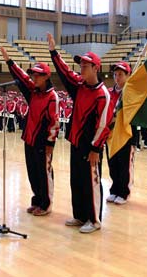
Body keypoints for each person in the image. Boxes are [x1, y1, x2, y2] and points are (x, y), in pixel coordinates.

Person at [48, 33, 112, 233]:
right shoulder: (79, 86)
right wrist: (53, 53)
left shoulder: (103, 95)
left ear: (96, 68)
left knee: (91, 183)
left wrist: (95, 148)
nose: (81, 69)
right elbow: (65, 72)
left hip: (91, 146)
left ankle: (94, 220)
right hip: (75, 142)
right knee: (76, 180)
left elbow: (104, 125)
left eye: (85, 65)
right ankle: (79, 215)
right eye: (81, 65)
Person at [1, 46, 59, 216]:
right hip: (29, 139)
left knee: (44, 173)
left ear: (47, 77)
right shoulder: (33, 91)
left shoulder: (52, 96)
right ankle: (37, 200)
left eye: (38, 75)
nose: (34, 77)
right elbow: (21, 76)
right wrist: (9, 61)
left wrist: (50, 143)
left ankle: (46, 204)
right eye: (34, 74)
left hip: (43, 142)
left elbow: (55, 123)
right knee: (33, 172)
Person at [106, 61, 134, 205]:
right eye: (115, 74)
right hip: (110, 135)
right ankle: (114, 190)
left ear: (128, 75)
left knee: (124, 165)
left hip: (124, 135)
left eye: (121, 74)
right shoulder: (109, 93)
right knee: (112, 164)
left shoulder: (130, 93)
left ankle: (124, 192)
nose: (117, 77)